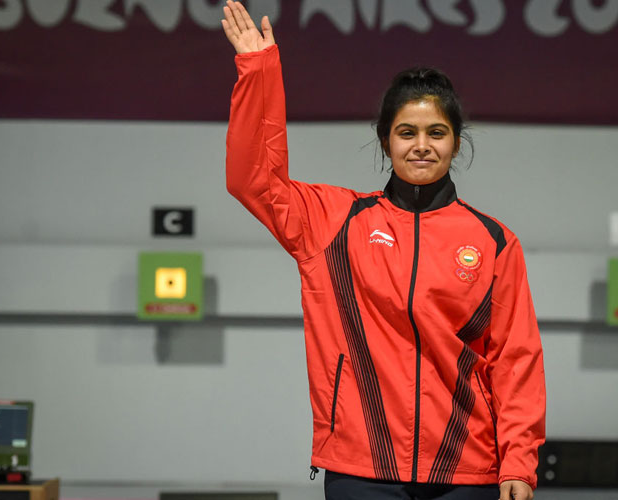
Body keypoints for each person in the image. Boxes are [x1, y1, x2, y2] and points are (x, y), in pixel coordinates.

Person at [221, 2, 545, 499]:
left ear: (456, 144)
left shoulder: (494, 241)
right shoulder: (333, 222)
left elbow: (515, 360)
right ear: (385, 141)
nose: (422, 145)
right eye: (406, 133)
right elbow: (253, 179)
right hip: (361, 471)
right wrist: (257, 71)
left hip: (466, 473)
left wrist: (518, 463)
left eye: (437, 133)